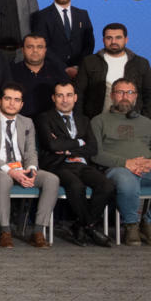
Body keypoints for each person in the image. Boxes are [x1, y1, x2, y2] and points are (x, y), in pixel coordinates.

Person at [92, 78, 151, 246]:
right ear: (112, 95)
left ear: (135, 96)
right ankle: (131, 226)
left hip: (148, 169)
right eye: (120, 92)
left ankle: (149, 222)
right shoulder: (99, 121)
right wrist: (126, 163)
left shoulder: (147, 123)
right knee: (127, 183)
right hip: (118, 168)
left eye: (129, 92)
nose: (125, 96)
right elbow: (95, 154)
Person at [37, 79, 115, 247]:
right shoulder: (44, 118)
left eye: (69, 95)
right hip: (58, 165)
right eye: (60, 96)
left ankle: (81, 225)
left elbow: (92, 148)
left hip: (81, 164)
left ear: (75, 98)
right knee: (76, 186)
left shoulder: (84, 120)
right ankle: (91, 228)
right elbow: (52, 145)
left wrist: (67, 149)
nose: (65, 100)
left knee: (107, 185)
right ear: (53, 98)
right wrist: (79, 142)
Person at [0, 83, 59, 248]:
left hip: (22, 168)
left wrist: (31, 170)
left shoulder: (27, 122)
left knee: (51, 179)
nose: (12, 103)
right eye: (8, 98)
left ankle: (38, 231)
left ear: (22, 104)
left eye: (17, 100)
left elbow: (31, 151)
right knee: (4, 179)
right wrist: (11, 172)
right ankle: (5, 232)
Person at [79, 23, 151, 119]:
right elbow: (79, 93)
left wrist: (143, 121)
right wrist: (83, 121)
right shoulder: (89, 62)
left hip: (132, 121)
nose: (113, 41)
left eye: (118, 37)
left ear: (126, 40)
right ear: (103, 40)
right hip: (96, 121)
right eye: (109, 38)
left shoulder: (141, 63)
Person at [29, 0, 94, 78]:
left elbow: (89, 44)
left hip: (79, 72)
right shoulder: (41, 16)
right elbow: (42, 45)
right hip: (51, 72)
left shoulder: (83, 14)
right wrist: (63, 68)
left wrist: (78, 67)